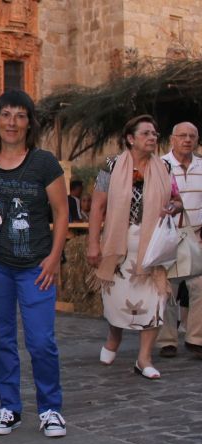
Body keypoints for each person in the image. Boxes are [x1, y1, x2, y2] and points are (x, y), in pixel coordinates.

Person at [0, 89, 68, 437]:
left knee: (40, 341)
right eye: (6, 114)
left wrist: (54, 258)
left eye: (20, 115)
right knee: (2, 338)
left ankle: (50, 409)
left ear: (29, 122)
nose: (12, 122)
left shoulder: (44, 162)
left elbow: (61, 213)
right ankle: (9, 408)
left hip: (36, 266)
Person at [87, 114, 180, 380]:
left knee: (155, 300)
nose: (152, 138)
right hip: (119, 245)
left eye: (154, 134)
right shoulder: (111, 165)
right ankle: (114, 335)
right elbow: (97, 205)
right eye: (146, 133)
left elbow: (177, 199)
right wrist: (93, 242)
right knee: (116, 300)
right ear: (130, 138)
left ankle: (144, 358)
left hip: (152, 246)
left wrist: (174, 206)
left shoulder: (165, 168)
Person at [157, 122, 202, 359]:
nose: (187, 139)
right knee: (166, 291)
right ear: (172, 139)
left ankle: (196, 339)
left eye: (192, 136)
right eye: (182, 136)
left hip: (196, 238)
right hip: (167, 237)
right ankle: (167, 341)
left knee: (200, 287)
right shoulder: (160, 166)